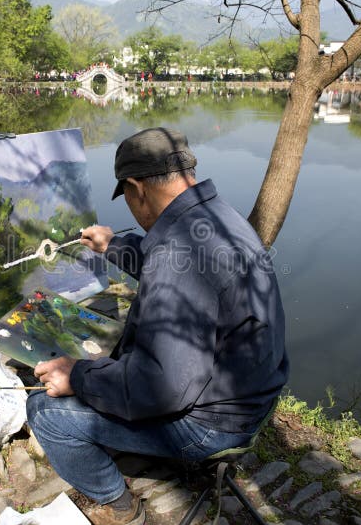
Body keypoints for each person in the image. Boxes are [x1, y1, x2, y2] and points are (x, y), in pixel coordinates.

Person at [27, 127, 288, 525]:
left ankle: (120, 505)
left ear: (136, 187)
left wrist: (77, 376)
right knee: (110, 354)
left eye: (127, 197)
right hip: (253, 399)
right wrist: (112, 246)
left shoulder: (180, 251)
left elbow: (161, 388)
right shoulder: (214, 218)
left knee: (44, 410)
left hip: (212, 425)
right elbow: (168, 263)